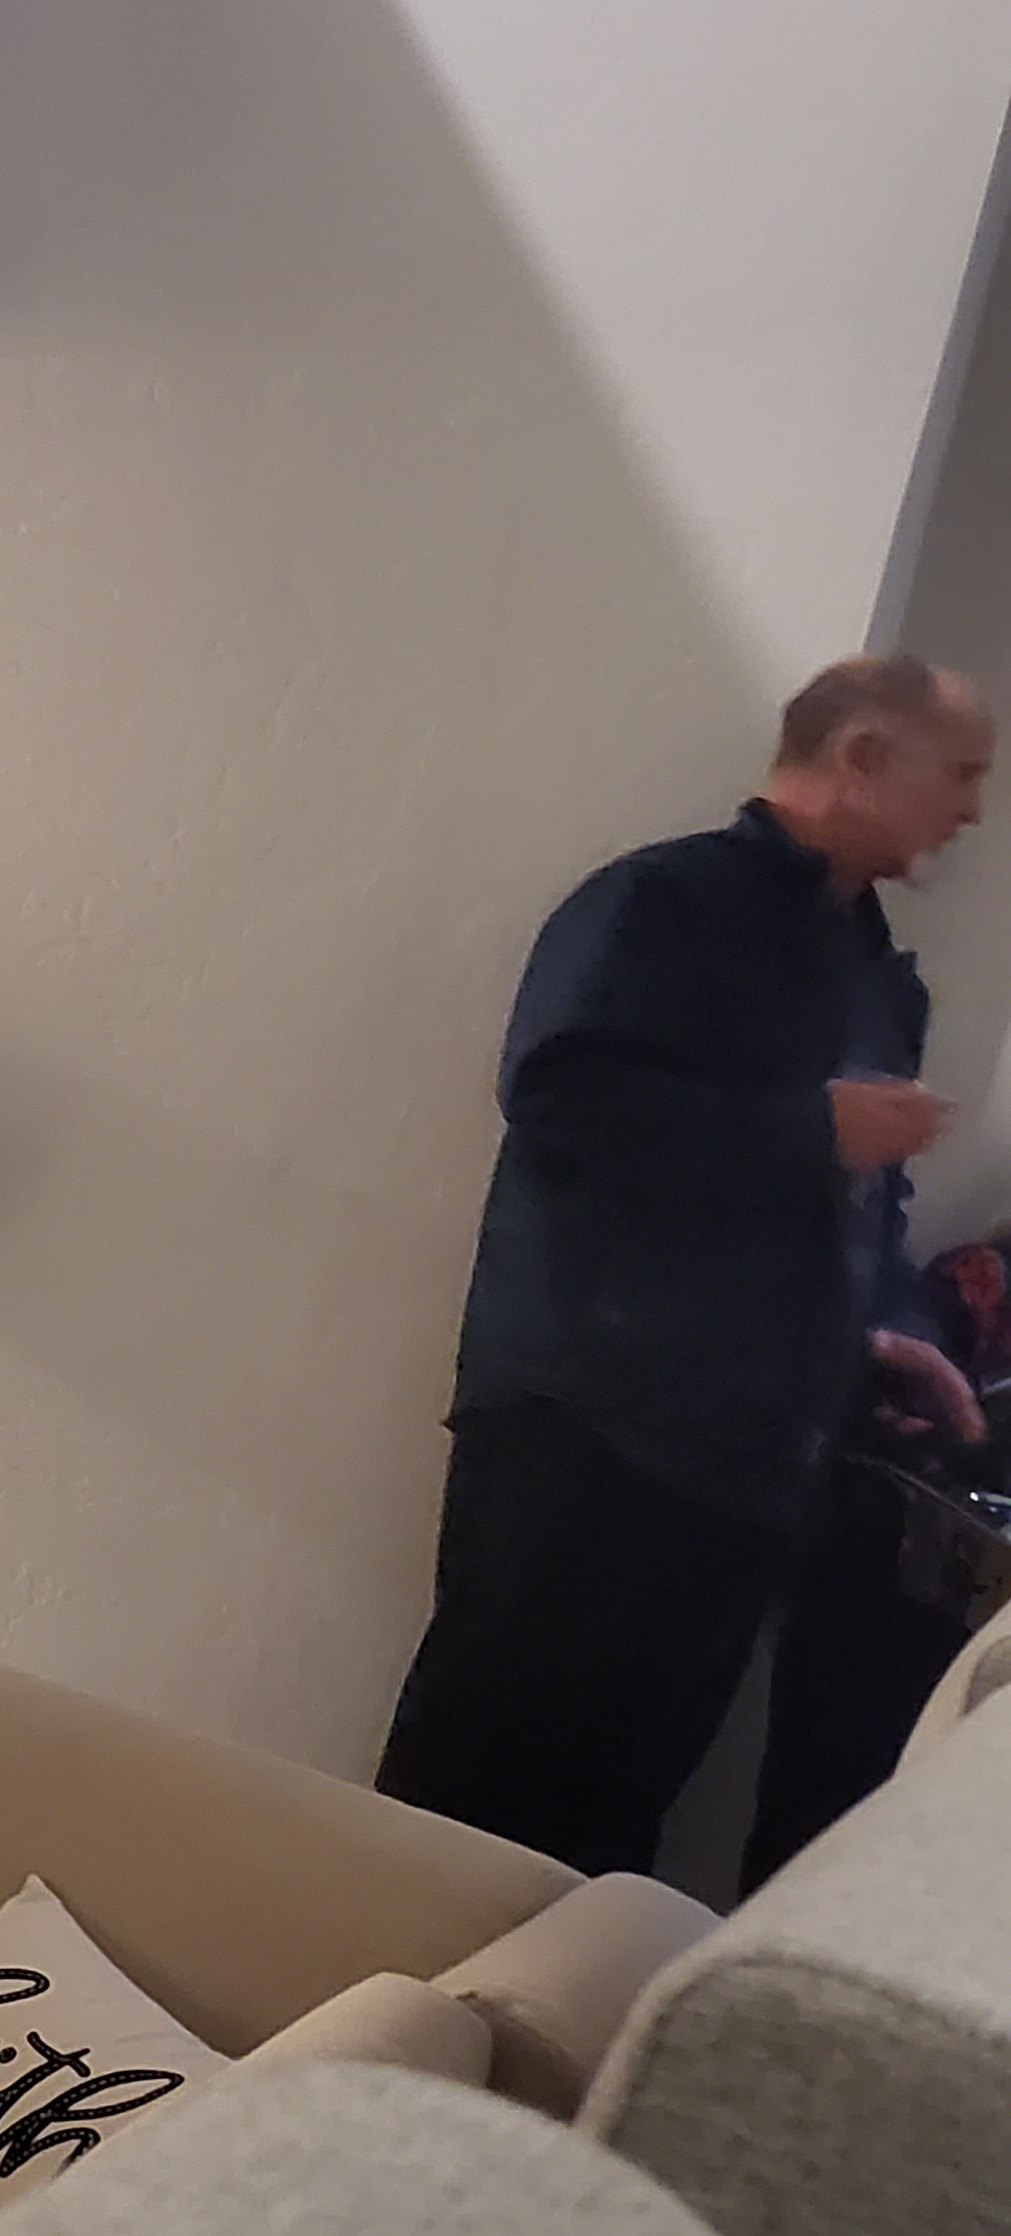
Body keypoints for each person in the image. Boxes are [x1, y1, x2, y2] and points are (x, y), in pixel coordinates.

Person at [375, 654, 993, 1881]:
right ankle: (343, 2008)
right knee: (466, 1801)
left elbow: (851, 1208)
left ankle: (518, 2021)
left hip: (750, 1472)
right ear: (862, 756)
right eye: (960, 773)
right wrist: (813, 1129)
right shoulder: (661, 901)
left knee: (609, 1840)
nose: (973, 808)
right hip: (590, 1431)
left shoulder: (877, 976)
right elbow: (561, 1095)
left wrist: (881, 1331)